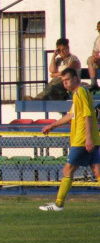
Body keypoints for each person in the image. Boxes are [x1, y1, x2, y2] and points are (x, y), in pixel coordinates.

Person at [39, 68, 100, 211]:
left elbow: (88, 115)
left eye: (67, 80)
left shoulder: (81, 92)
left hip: (82, 139)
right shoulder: (77, 94)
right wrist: (52, 125)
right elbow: (71, 115)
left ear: (75, 78)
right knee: (97, 171)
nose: (65, 83)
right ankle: (58, 203)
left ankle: (59, 204)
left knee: (68, 170)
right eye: (63, 81)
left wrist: (88, 138)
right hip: (91, 139)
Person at [86, 21, 100, 92]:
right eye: (98, 30)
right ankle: (94, 84)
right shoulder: (98, 39)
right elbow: (94, 52)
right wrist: (94, 58)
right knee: (90, 59)